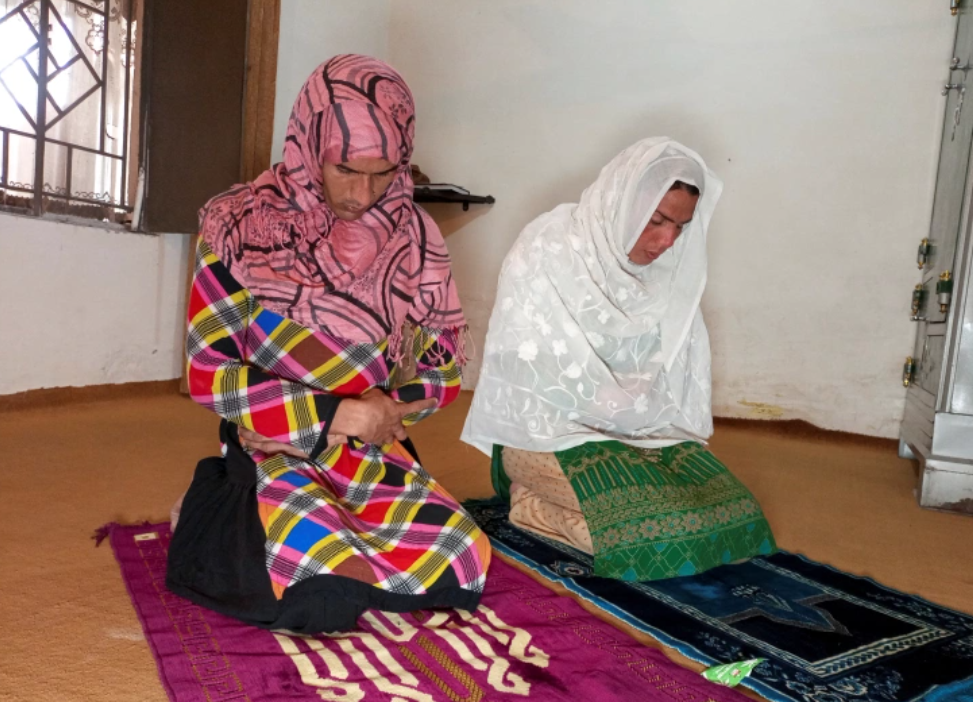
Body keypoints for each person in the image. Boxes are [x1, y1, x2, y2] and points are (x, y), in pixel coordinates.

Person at [166, 55, 490, 634]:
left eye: (385, 172)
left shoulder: (416, 238)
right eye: (345, 169)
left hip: (367, 448)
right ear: (310, 145)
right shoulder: (239, 225)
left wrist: (387, 409)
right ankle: (214, 506)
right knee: (317, 581)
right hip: (275, 446)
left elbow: (443, 369)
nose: (362, 193)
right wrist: (332, 416)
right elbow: (208, 371)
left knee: (462, 556)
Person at [462, 137, 775, 582]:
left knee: (734, 516)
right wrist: (595, 396)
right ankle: (529, 504)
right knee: (655, 533)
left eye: (681, 227)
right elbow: (516, 366)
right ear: (624, 200)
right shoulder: (549, 247)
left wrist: (631, 398)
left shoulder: (666, 275)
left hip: (631, 429)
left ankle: (567, 503)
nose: (666, 241)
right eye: (657, 220)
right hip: (543, 435)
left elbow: (666, 374)